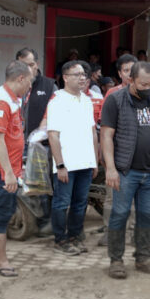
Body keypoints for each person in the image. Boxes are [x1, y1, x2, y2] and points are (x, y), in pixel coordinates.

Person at [100, 61, 150, 279]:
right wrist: (110, 168)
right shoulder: (115, 101)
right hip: (125, 171)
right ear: (130, 80)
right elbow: (106, 136)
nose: (148, 88)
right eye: (143, 84)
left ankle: (143, 258)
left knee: (146, 216)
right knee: (120, 215)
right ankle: (116, 260)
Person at [0, 61, 33, 277]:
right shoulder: (2, 101)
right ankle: (2, 262)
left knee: (2, 212)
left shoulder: (11, 99)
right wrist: (9, 173)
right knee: (2, 216)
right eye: (29, 80)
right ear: (20, 78)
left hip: (7, 169)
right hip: (2, 171)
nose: (30, 84)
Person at [41, 61, 99, 256]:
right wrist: (60, 164)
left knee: (80, 202)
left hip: (85, 162)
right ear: (65, 77)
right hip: (67, 164)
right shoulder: (57, 101)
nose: (82, 77)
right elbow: (53, 135)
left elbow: (93, 133)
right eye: (77, 74)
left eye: (84, 74)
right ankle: (60, 239)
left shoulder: (86, 100)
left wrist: (95, 160)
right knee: (61, 203)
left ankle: (75, 235)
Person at [98, 53, 138, 247]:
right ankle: (109, 232)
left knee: (133, 198)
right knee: (111, 196)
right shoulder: (112, 94)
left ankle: (131, 233)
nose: (129, 74)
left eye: (133, 70)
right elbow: (105, 129)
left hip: (137, 157)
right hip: (115, 154)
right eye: (126, 71)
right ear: (119, 73)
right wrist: (104, 155)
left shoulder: (146, 93)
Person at [16, 47, 57, 237]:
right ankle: (26, 218)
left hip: (42, 145)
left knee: (42, 184)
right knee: (24, 183)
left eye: (31, 65)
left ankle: (45, 221)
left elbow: (55, 114)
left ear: (37, 65)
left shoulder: (49, 86)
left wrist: (41, 133)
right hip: (18, 143)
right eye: (23, 66)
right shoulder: (14, 86)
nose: (27, 69)